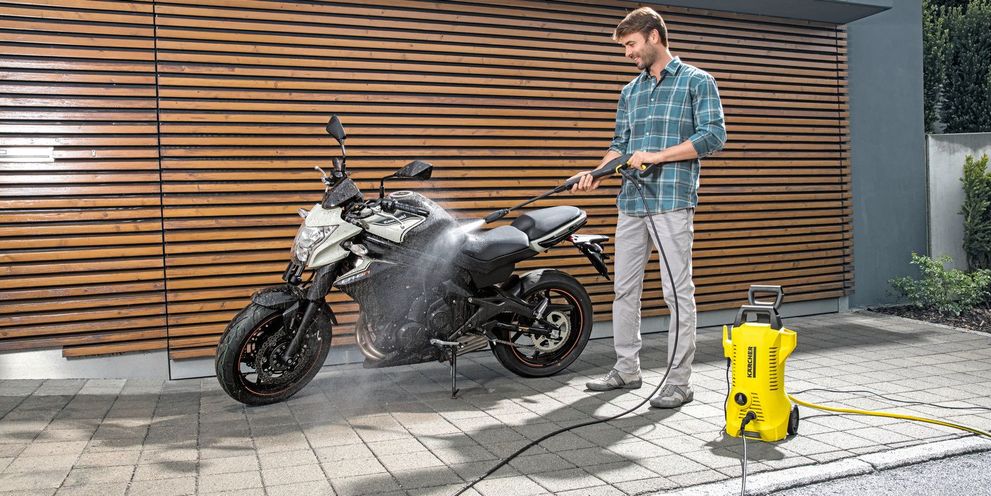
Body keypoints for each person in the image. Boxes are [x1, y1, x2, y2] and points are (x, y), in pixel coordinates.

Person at [571, 7, 726, 408]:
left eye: (631, 44)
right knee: (625, 289)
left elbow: (713, 136)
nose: (627, 53)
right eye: (625, 47)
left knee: (677, 292)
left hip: (672, 200)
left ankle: (678, 382)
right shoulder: (631, 91)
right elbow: (620, 144)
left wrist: (656, 156)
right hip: (632, 203)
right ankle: (627, 369)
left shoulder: (697, 81)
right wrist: (598, 171)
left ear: (653, 36)